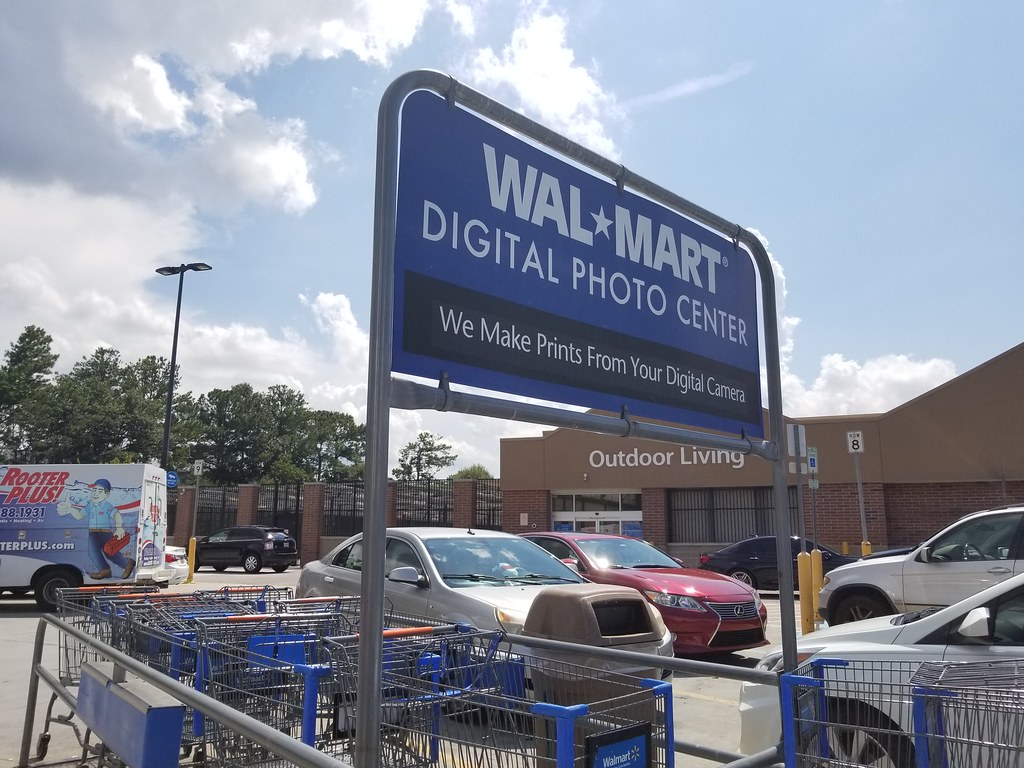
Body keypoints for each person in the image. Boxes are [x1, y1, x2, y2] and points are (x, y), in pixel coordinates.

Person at [58, 479, 135, 579]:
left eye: (100, 491)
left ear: (106, 495)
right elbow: (79, 516)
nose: (95, 493)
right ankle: (105, 570)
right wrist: (70, 509)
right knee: (93, 552)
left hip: (105, 533)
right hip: (92, 533)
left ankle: (126, 563)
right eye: (94, 490)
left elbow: (116, 514)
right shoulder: (90, 505)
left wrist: (119, 527)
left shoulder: (106, 506)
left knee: (110, 553)